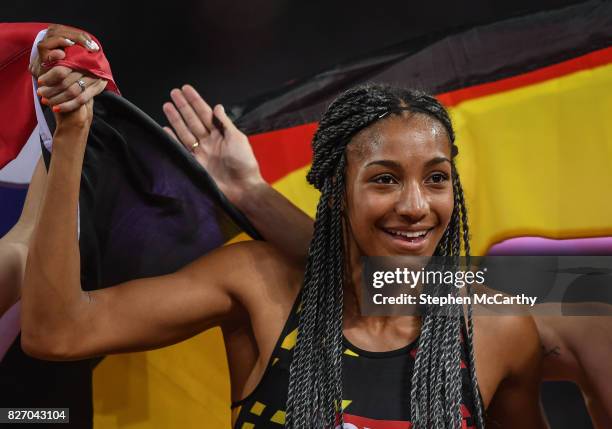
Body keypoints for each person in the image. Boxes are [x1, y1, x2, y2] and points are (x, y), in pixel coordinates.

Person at [22, 53, 547, 429]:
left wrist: (252, 193)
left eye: (436, 178)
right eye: (384, 178)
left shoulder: (500, 325)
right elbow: (56, 332)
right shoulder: (257, 280)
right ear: (337, 192)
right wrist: (71, 139)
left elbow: (566, 286)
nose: (416, 205)